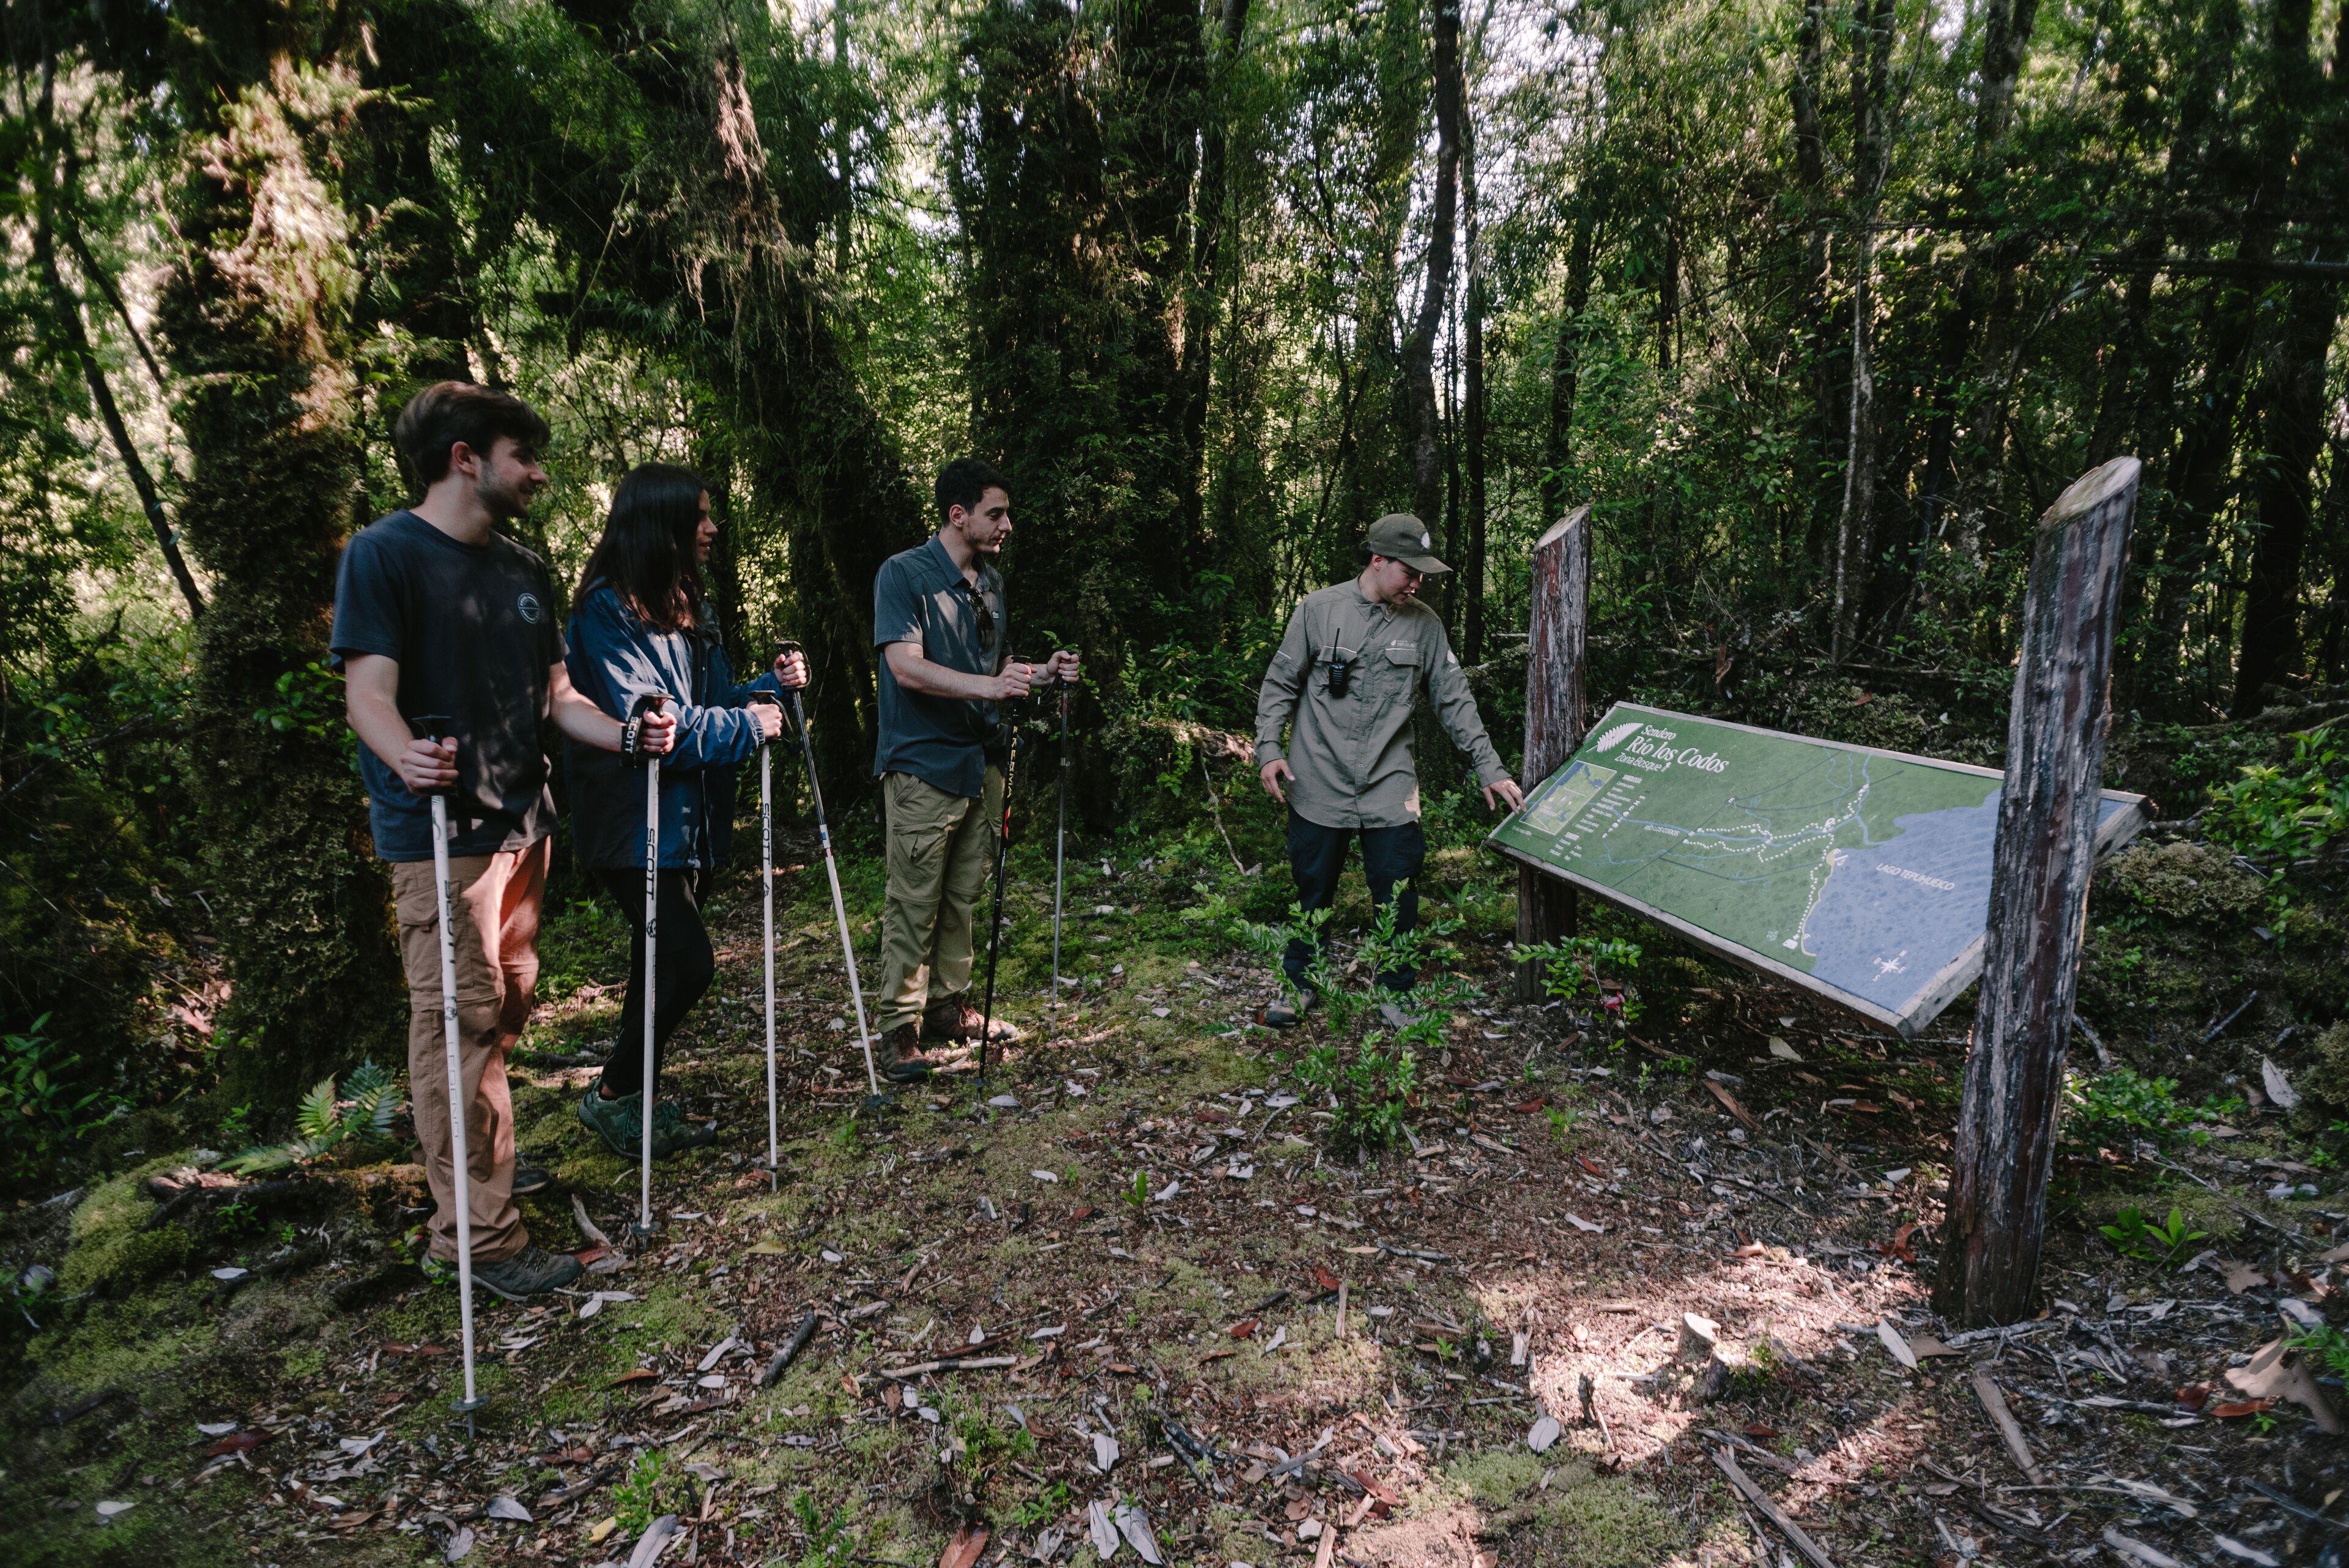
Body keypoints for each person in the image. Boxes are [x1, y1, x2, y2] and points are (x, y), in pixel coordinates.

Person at [335, 381, 675, 1302]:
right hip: (442, 836)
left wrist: (631, 731)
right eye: (522, 454)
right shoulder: (384, 554)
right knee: (460, 1022)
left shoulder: (524, 571)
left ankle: (485, 1168)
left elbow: (560, 699)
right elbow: (368, 690)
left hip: (526, 825)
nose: (537, 472)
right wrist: (404, 753)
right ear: (465, 457)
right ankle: (477, 1237)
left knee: (508, 1004)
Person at [563, 464, 809, 1158]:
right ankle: (612, 1094)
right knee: (688, 962)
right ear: (661, 522)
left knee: (658, 966)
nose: (711, 528)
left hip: (686, 823)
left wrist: (771, 692)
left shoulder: (685, 607)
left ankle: (633, 1101)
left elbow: (718, 702)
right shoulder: (605, 612)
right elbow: (659, 733)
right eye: (699, 515)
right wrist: (748, 727)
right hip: (632, 824)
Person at [1252, 512, 1526, 1025]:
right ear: (1378, 560)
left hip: (1389, 784)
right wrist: (1268, 748)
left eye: (1423, 573)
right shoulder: (1318, 609)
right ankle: (1300, 982)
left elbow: (1454, 700)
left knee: (1398, 892)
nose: (1418, 582)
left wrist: (1488, 765)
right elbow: (1281, 682)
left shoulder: (1425, 625)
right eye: (1410, 571)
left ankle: (1395, 991)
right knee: (1313, 888)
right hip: (1318, 779)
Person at [868, 458, 1080, 1080]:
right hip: (921, 764)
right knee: (915, 898)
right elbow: (906, 667)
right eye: (996, 513)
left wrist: (1038, 674)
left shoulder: (990, 582)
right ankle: (898, 1028)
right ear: (957, 515)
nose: (1007, 524)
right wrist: (990, 689)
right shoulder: (903, 575)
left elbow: (993, 670)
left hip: (980, 764)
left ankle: (946, 1007)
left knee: (963, 893)